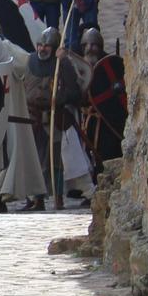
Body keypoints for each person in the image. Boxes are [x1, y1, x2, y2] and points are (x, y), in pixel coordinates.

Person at [21, 26, 92, 209]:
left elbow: (74, 93)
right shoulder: (29, 61)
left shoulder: (63, 64)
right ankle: (38, 200)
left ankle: (58, 198)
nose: (42, 49)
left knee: (57, 163)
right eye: (40, 45)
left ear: (53, 48)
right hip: (34, 119)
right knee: (36, 160)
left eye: (46, 46)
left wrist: (58, 99)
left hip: (55, 119)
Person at [78, 28, 128, 175]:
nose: (91, 49)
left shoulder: (108, 65)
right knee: (85, 152)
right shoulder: (79, 65)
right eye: (87, 45)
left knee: (107, 151)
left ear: (100, 47)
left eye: (94, 45)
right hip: (88, 119)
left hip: (107, 121)